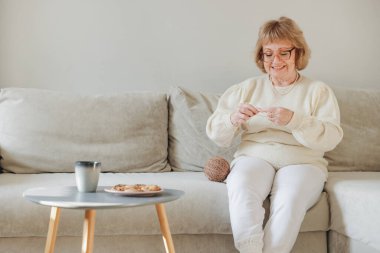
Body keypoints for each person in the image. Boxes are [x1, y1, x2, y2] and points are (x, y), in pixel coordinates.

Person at [206, 16, 343, 253]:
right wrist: (233, 118)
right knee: (241, 184)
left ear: (297, 54)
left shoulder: (318, 91)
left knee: (290, 198)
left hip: (303, 161)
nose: (275, 60)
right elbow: (216, 134)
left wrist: (294, 120)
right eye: (268, 54)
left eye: (283, 53)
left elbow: (331, 137)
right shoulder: (246, 88)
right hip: (255, 157)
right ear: (261, 56)